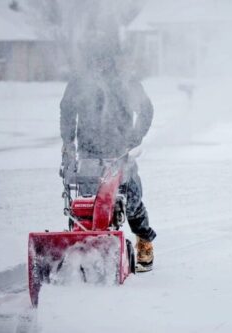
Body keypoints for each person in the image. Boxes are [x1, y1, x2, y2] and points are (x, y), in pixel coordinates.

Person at [59, 50, 156, 272]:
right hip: (88, 152)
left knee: (130, 199)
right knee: (86, 205)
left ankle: (144, 241)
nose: (100, 63)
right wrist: (68, 142)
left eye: (104, 57)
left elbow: (146, 110)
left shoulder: (126, 81)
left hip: (119, 151)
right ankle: (83, 249)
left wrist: (134, 138)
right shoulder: (80, 82)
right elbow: (67, 109)